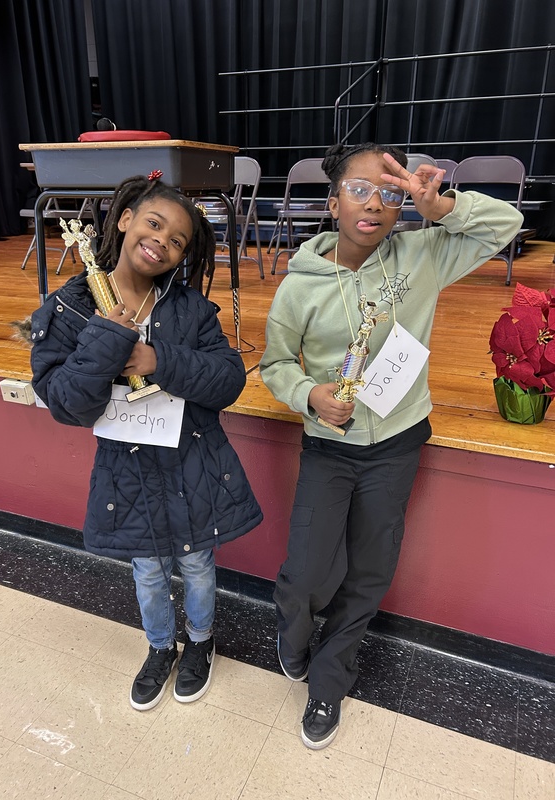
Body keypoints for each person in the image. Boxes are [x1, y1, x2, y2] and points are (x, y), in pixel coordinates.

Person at [259, 142, 523, 750]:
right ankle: (294, 638)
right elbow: (275, 364)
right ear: (332, 203)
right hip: (330, 443)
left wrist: (442, 205)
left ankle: (330, 676)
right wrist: (309, 394)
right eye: (358, 189)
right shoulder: (300, 284)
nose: (374, 203)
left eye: (389, 191)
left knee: (371, 568)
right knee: (303, 574)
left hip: (398, 442)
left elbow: (506, 226)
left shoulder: (422, 254)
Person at [30, 174, 262, 711]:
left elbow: (228, 380)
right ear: (126, 217)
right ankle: (161, 647)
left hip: (194, 462)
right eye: (154, 223)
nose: (162, 241)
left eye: (179, 240)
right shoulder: (69, 308)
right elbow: (65, 401)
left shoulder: (190, 310)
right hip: (126, 473)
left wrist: (158, 361)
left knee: (200, 565)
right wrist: (108, 340)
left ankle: (201, 643)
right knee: (149, 572)